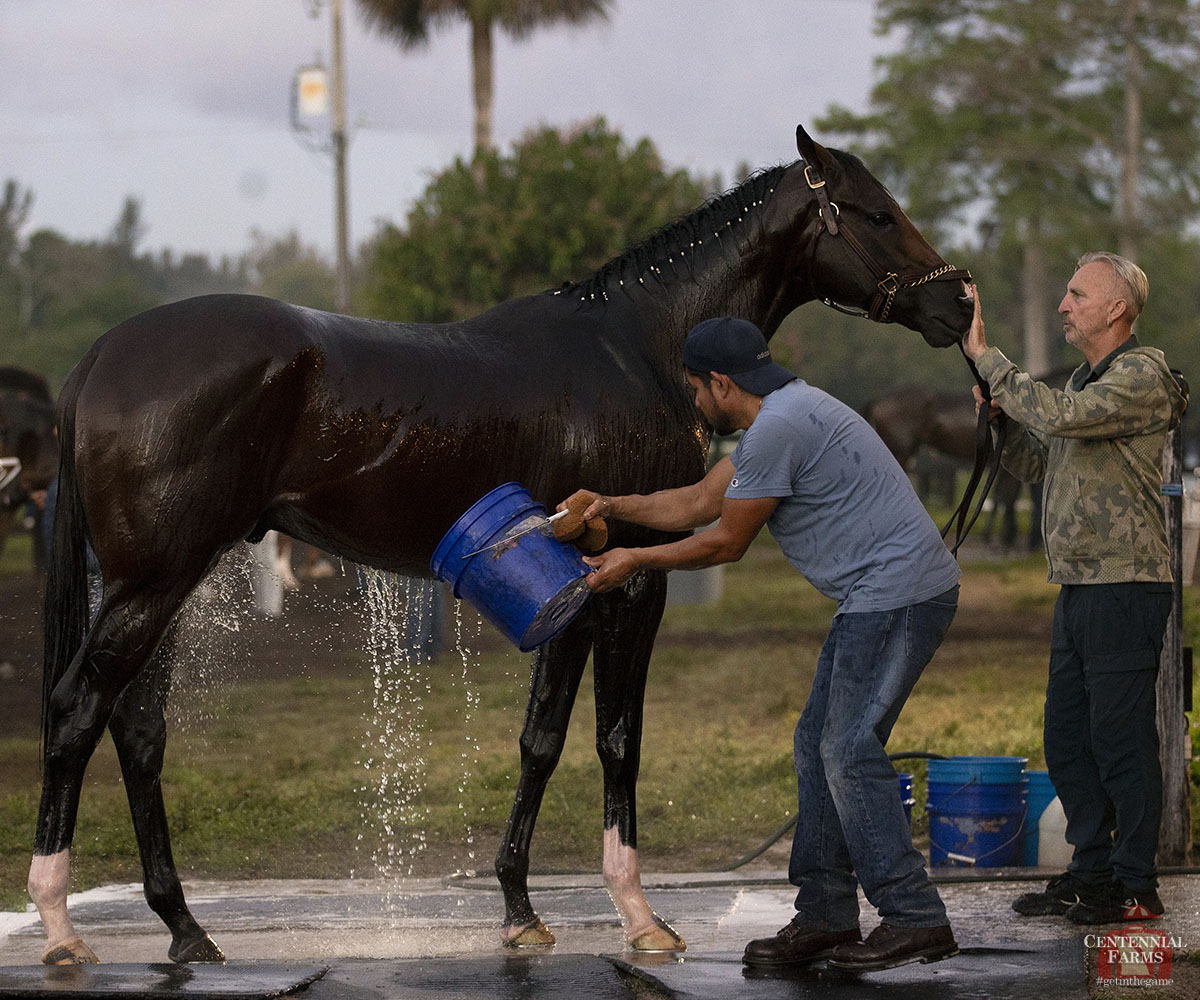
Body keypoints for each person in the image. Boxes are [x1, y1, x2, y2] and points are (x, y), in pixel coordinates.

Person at [565, 316, 962, 972]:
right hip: (881, 594)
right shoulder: (785, 415)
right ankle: (827, 916)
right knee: (818, 745)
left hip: (900, 593)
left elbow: (726, 541)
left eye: (697, 388)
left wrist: (633, 559)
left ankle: (914, 916)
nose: (697, 401)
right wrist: (609, 505)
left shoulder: (779, 427)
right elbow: (700, 500)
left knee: (846, 749)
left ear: (722, 383)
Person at [964, 252, 1188, 924]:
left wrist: (988, 359)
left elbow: (1061, 418)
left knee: (1120, 740)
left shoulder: (1140, 375)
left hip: (1126, 584)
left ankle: (1135, 886)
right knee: (1068, 738)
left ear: (1117, 308)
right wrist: (1002, 421)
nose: (1064, 305)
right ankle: (1092, 875)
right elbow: (1040, 462)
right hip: (1081, 584)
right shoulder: (1087, 383)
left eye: (1076, 294)